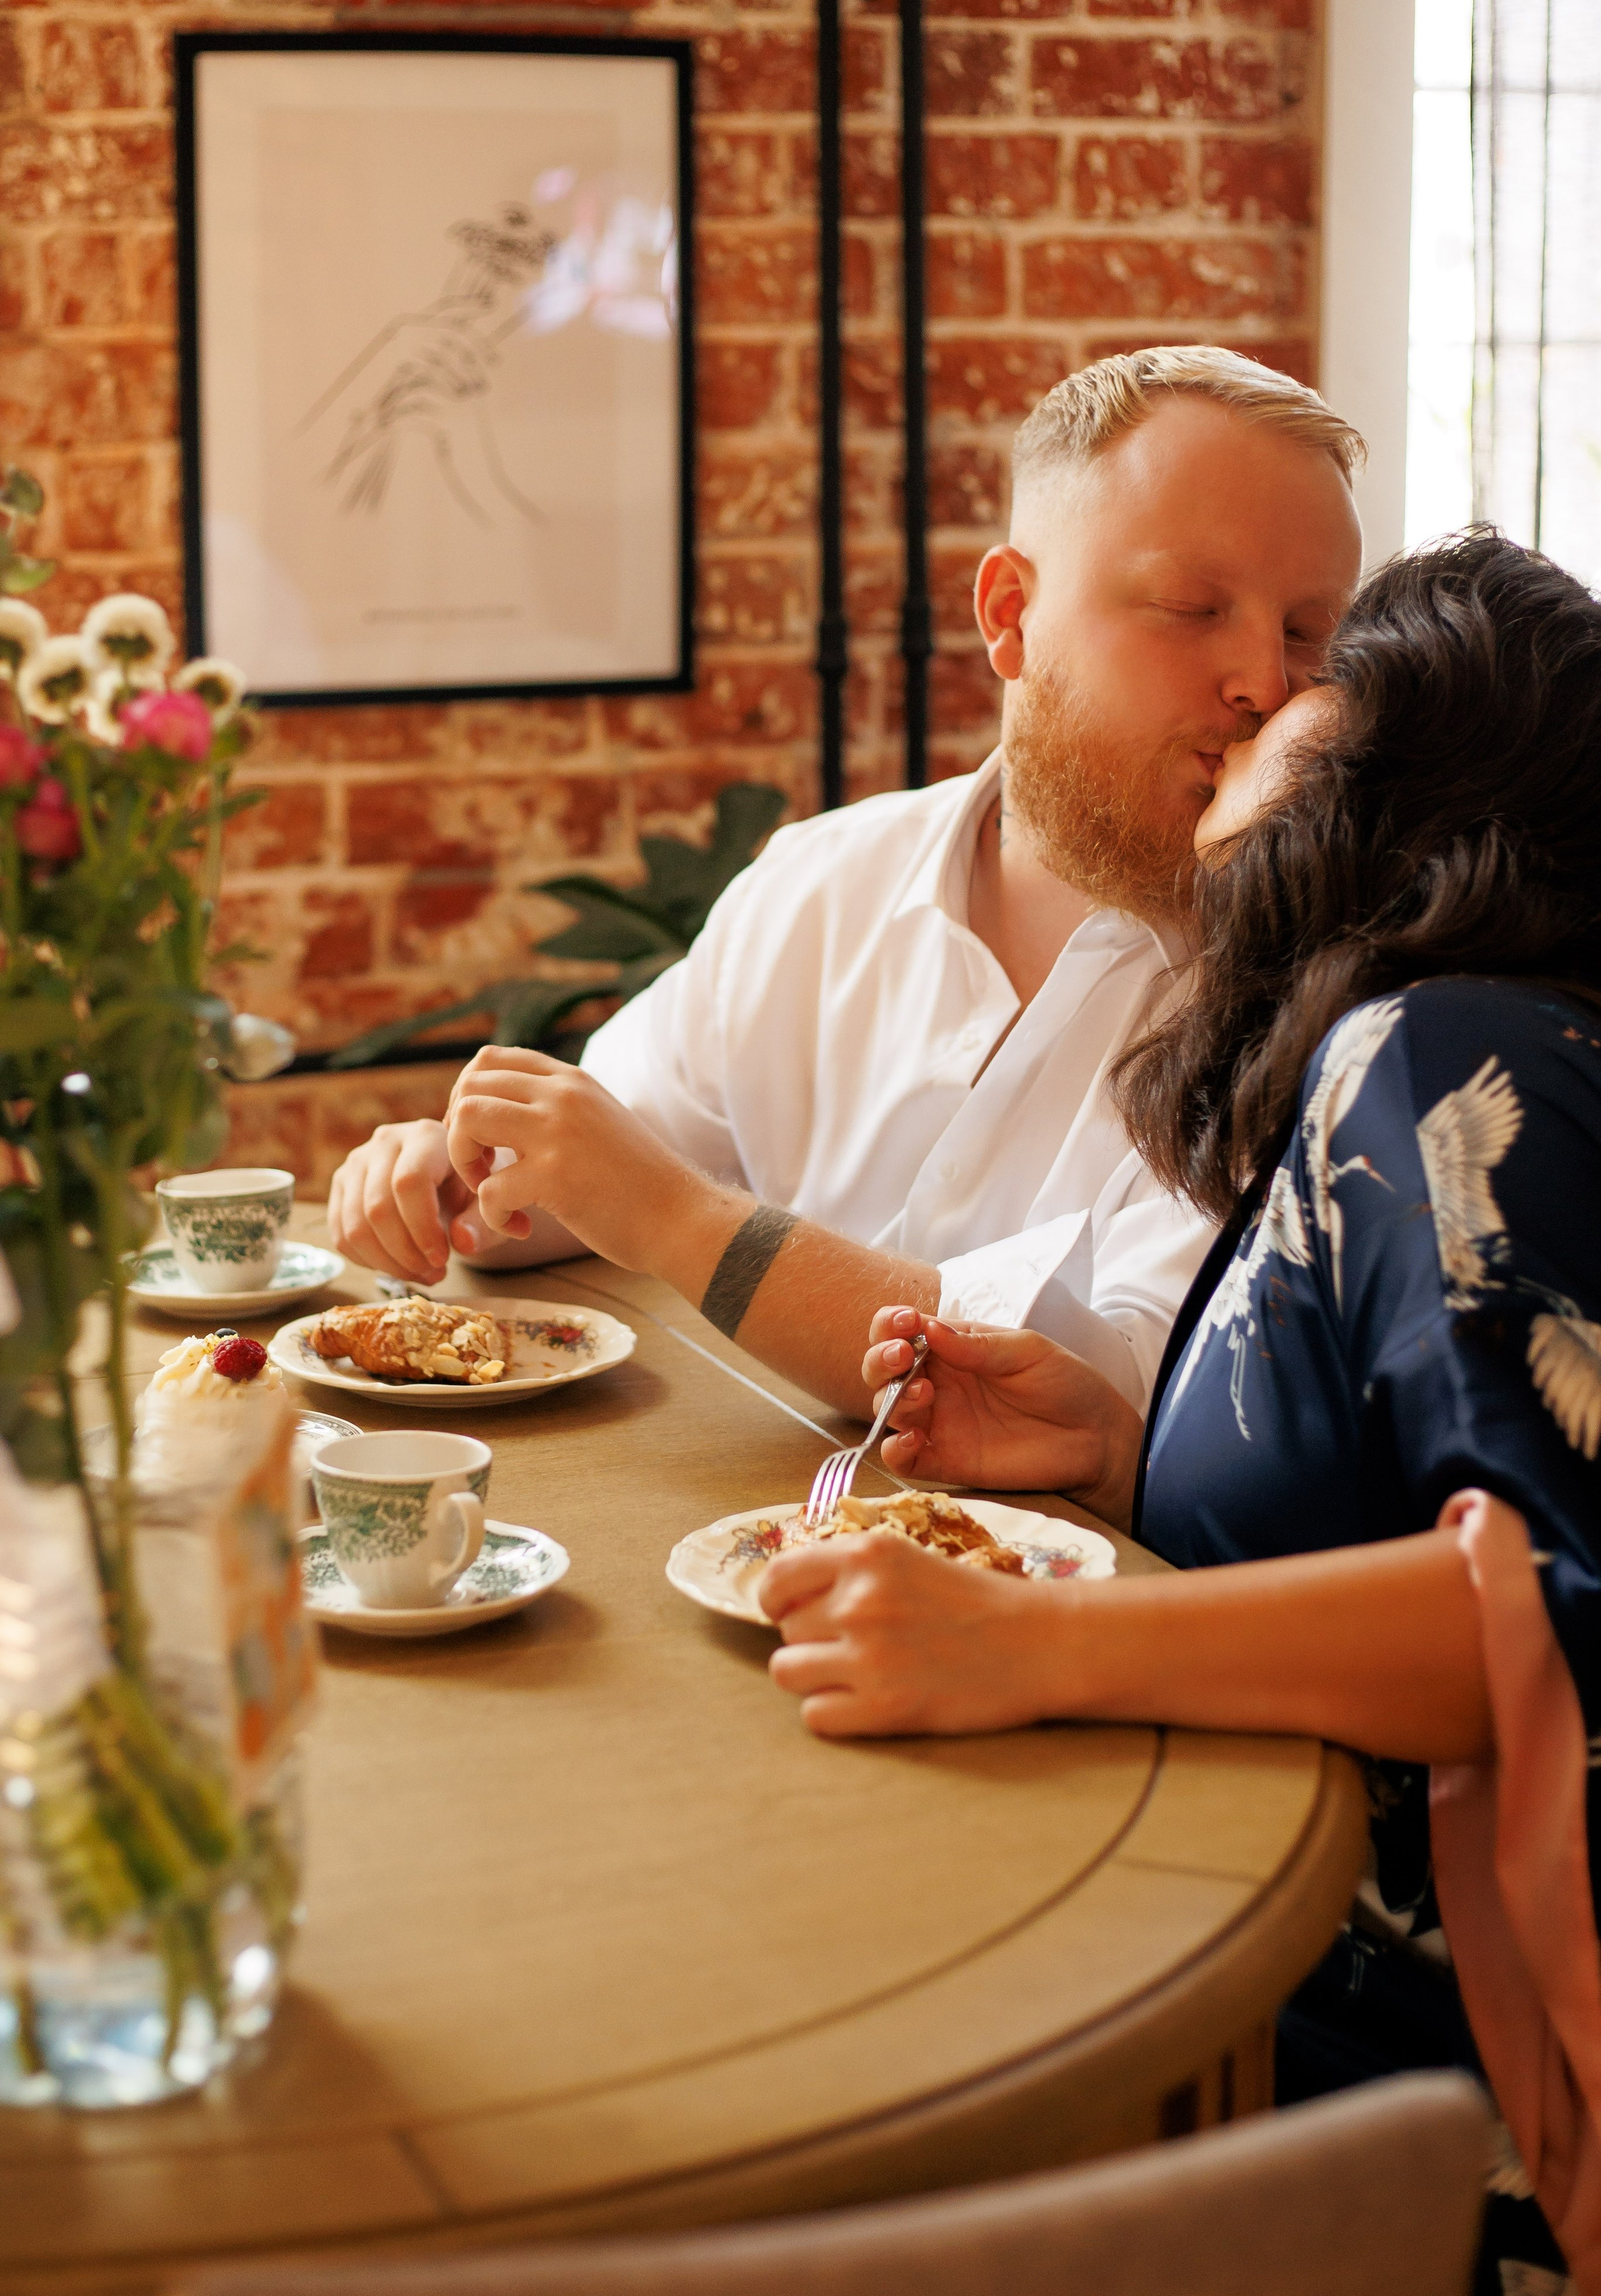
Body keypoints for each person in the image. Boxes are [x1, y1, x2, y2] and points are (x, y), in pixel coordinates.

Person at [759, 531, 1601, 2290]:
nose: (1263, 695)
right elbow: (1397, 1504)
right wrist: (1114, 1450)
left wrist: (1024, 1649)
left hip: (1410, 2112)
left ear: (1416, 762)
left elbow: (1545, 1618)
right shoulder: (1408, 1051)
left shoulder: (1442, 1055)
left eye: (1321, 665)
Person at [328, 346, 1365, 1420]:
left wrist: (675, 1217)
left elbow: (1117, 1401)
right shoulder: (822, 886)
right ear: (1009, 616)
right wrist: (464, 1182)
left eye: (1307, 633)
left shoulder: (1306, 990)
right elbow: (607, 1169)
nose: (1267, 684)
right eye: (1191, 607)